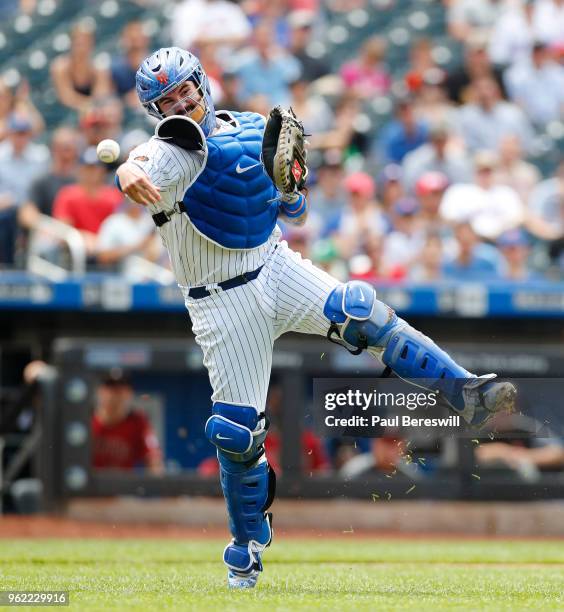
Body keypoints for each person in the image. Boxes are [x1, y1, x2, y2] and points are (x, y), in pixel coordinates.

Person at [115, 47, 515, 589]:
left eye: (186, 89)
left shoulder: (254, 126)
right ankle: (246, 548)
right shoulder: (172, 147)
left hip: (276, 264)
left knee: (361, 310)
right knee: (236, 435)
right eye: (168, 99)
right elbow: (140, 164)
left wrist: (290, 187)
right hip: (221, 301)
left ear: (202, 84)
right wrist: (127, 171)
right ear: (156, 110)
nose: (182, 102)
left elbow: (292, 210)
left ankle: (465, 392)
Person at [52, 147, 123, 255]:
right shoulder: (68, 194)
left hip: (110, 253)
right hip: (75, 252)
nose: (91, 173)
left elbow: (121, 228)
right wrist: (83, 237)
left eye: (94, 168)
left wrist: (101, 243)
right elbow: (62, 229)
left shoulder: (114, 196)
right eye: (87, 168)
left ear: (102, 171)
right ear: (80, 170)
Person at [91, 370, 163, 473]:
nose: (114, 394)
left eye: (120, 388)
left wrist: (155, 485)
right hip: (91, 486)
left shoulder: (138, 422)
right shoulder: (86, 420)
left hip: (123, 487)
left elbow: (154, 460)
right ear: (100, 391)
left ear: (129, 392)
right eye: (110, 386)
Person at [50, 21, 112, 112]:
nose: (81, 46)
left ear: (92, 43)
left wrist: (90, 108)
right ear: (72, 43)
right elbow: (67, 98)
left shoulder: (99, 69)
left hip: (93, 113)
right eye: (78, 42)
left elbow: (101, 97)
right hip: (66, 114)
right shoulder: (60, 67)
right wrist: (88, 106)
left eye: (85, 42)